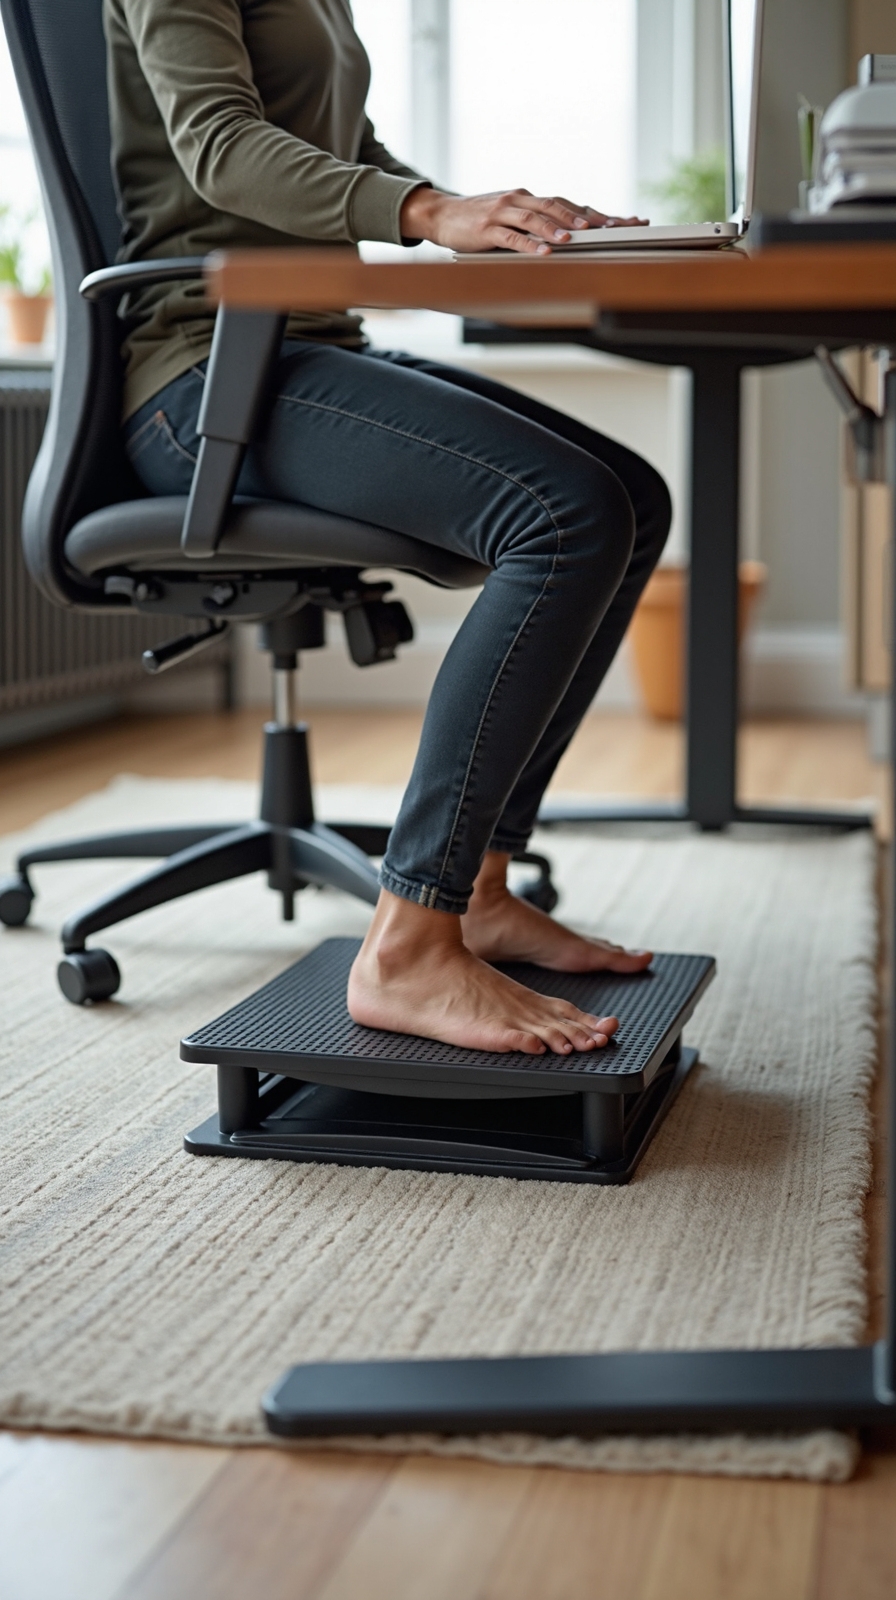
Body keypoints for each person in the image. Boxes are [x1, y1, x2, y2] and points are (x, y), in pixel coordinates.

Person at [107, 0, 670, 1057]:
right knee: (565, 515)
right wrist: (428, 211)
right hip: (203, 381)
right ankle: (408, 941)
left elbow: (340, 148)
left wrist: (494, 221)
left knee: (629, 498)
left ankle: (481, 889)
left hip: (307, 345)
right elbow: (220, 148)